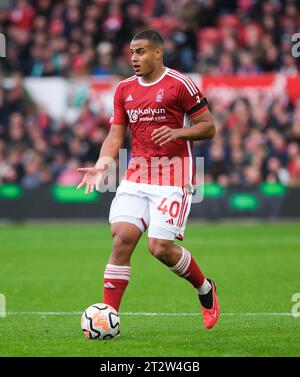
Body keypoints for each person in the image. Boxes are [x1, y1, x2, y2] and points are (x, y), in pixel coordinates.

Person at [77, 30, 220, 330]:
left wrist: (179, 132)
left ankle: (205, 288)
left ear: (158, 53)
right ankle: (107, 318)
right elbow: (115, 136)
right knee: (122, 239)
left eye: (140, 52)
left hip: (174, 175)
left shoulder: (180, 85)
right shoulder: (124, 89)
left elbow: (209, 127)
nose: (134, 58)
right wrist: (103, 164)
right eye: (131, 52)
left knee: (159, 248)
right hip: (137, 174)